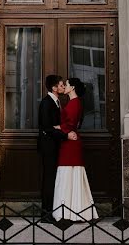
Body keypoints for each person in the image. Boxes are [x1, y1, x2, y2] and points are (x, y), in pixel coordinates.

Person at [52, 77, 98, 222]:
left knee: (69, 175)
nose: (64, 86)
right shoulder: (75, 103)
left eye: (66, 84)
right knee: (70, 176)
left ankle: (70, 213)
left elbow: (70, 124)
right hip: (70, 142)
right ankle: (72, 211)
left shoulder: (74, 103)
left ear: (72, 88)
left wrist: (56, 127)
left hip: (71, 144)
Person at [37, 75, 76, 221]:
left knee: (53, 178)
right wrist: (66, 136)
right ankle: (45, 214)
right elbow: (46, 128)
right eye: (60, 85)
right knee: (49, 179)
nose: (63, 87)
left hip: (55, 146)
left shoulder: (56, 101)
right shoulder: (46, 103)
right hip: (48, 147)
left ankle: (51, 210)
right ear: (54, 88)